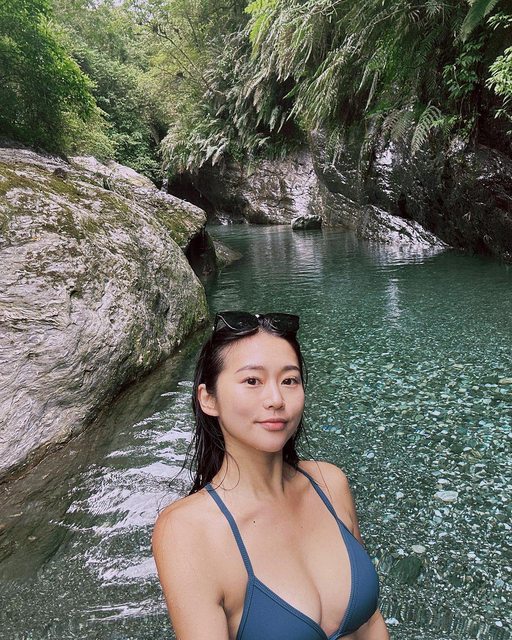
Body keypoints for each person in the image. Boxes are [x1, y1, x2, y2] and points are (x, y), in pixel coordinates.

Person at [152, 311, 389, 639]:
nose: (276, 399)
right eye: (252, 381)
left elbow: (370, 624)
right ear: (208, 399)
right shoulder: (186, 531)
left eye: (289, 380)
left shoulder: (330, 484)